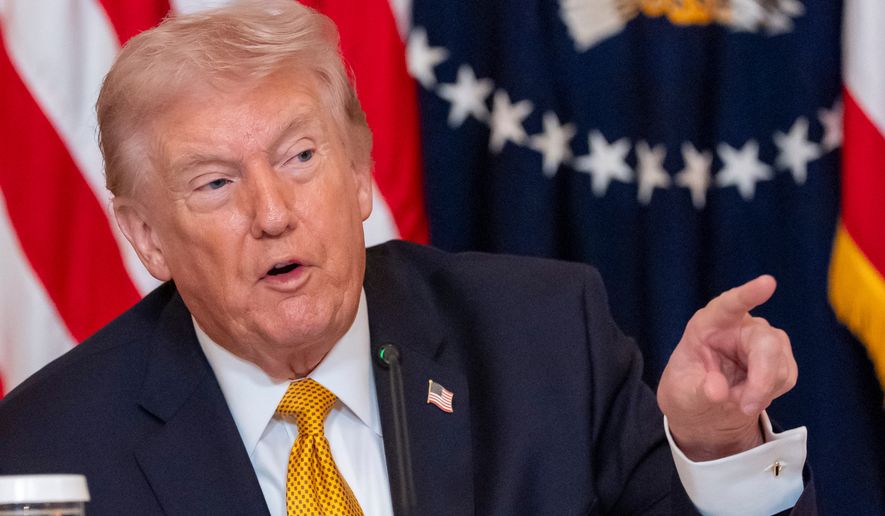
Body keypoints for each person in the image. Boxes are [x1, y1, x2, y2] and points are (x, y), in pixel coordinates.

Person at [0, 1, 814, 514]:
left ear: (358, 174)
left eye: (300, 158)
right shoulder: (50, 448)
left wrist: (714, 448)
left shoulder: (542, 341)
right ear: (146, 238)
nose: (273, 213)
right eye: (215, 183)